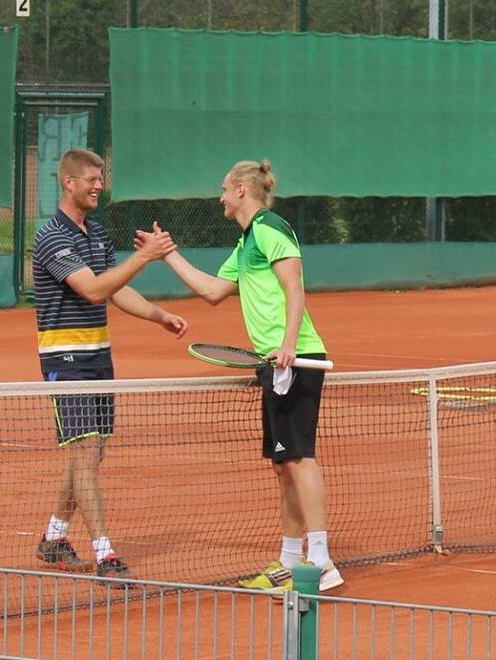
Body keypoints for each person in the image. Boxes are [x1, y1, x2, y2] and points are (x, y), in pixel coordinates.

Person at [141, 159, 342, 592]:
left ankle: (322, 562)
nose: (220, 198)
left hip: (298, 357)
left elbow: (295, 288)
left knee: (300, 458)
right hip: (272, 362)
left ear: (241, 192)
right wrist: (167, 253)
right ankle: (289, 562)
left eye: (224, 190)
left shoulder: (271, 227)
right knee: (282, 465)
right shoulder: (246, 241)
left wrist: (288, 345)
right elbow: (212, 291)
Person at [32, 148, 187, 581]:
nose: (99, 185)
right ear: (69, 183)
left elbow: (116, 292)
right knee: (84, 453)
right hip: (66, 360)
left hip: (99, 356)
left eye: (101, 179)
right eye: (92, 180)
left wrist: (160, 316)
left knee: (90, 452)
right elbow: (95, 290)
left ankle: (54, 537)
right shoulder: (52, 237)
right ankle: (105, 554)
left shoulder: (95, 233)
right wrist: (143, 257)